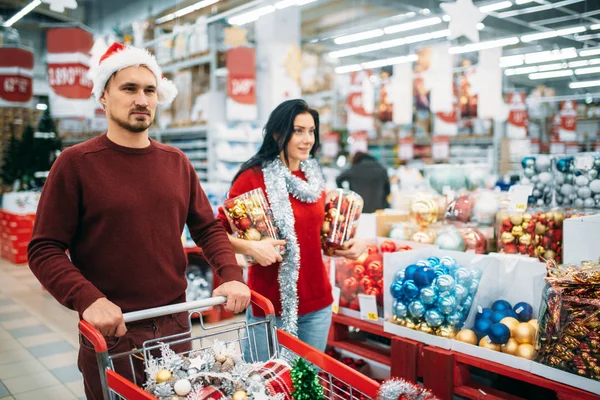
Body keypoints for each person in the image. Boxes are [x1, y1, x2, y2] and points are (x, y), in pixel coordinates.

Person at [27, 42, 250, 400]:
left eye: (150, 90)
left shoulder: (176, 162)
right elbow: (44, 249)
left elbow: (207, 228)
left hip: (176, 324)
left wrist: (231, 275)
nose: (142, 100)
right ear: (103, 96)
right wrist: (87, 298)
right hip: (113, 330)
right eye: (129, 89)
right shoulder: (76, 164)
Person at [216, 99, 366, 360]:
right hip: (269, 305)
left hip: (318, 302)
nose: (307, 139)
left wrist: (350, 245)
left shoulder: (313, 178)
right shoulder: (252, 178)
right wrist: (251, 247)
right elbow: (214, 233)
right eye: (298, 130)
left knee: (307, 385)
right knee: (265, 386)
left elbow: (317, 235)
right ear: (278, 133)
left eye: (311, 131)